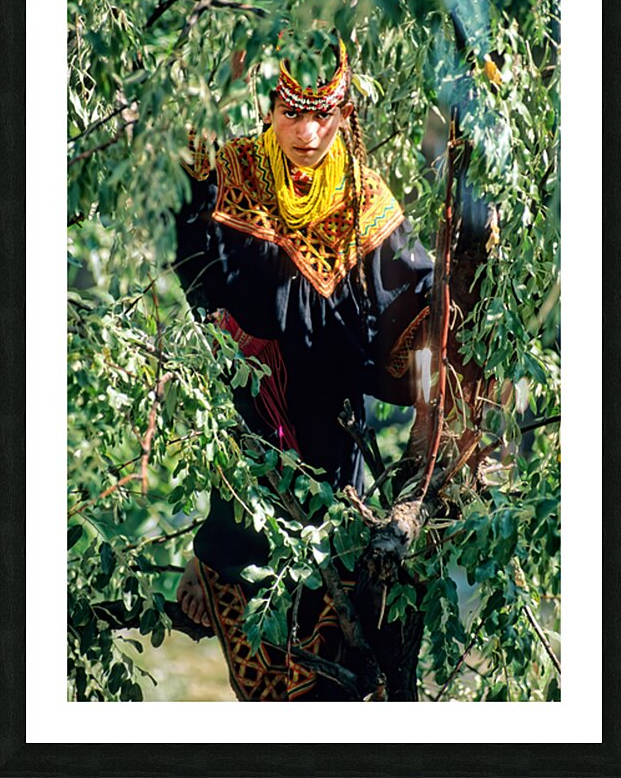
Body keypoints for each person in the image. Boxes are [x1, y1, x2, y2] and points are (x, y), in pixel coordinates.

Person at [172, 35, 434, 701]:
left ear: (346, 112)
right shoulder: (235, 169)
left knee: (337, 639)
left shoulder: (365, 198)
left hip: (331, 431)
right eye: (292, 112)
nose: (308, 134)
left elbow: (413, 310)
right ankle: (212, 557)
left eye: (324, 114)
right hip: (250, 411)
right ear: (269, 107)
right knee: (243, 517)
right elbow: (195, 254)